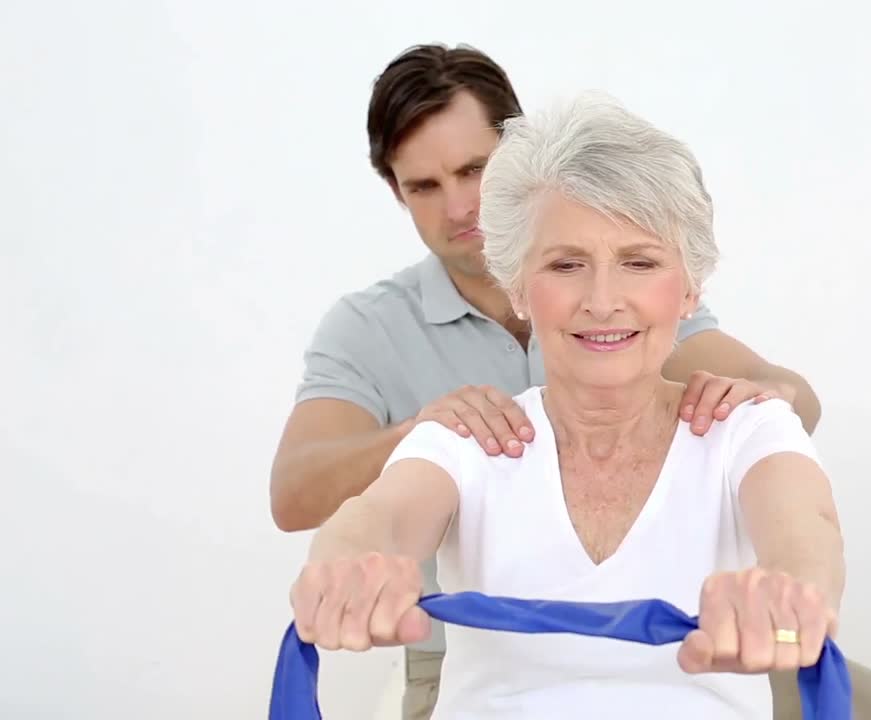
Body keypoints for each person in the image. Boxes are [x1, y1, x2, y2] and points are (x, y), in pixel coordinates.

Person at [268, 43, 825, 719]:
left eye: (640, 263)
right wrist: (353, 559)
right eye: (564, 266)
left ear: (688, 291)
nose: (601, 299)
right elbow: (370, 516)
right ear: (522, 284)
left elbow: (805, 529)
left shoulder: (729, 411)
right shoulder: (416, 386)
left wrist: (791, 584)